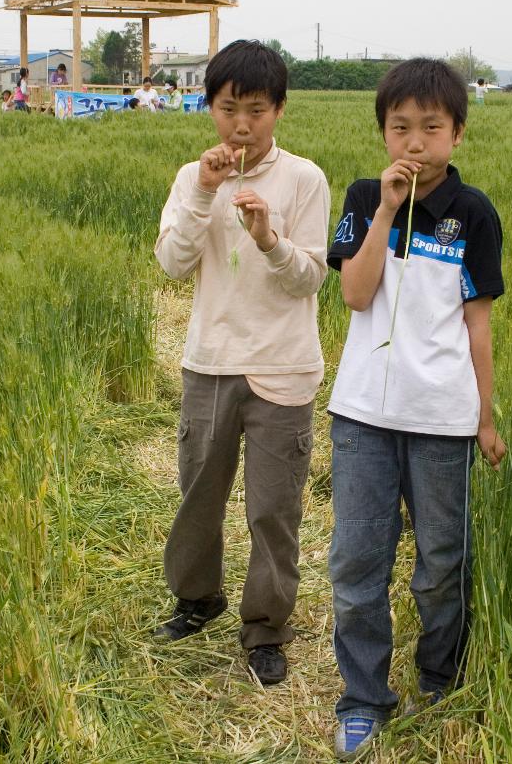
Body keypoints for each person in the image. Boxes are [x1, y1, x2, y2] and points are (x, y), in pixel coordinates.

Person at [325, 58, 507, 759]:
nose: (415, 141)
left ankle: (439, 676)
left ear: (457, 133)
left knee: (441, 561)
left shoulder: (474, 214)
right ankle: (363, 697)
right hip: (363, 417)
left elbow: (478, 325)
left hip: (443, 421)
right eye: (400, 127)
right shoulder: (366, 195)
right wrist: (385, 211)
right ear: (383, 132)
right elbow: (355, 293)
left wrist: (486, 417)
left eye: (431, 127)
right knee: (357, 561)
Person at [152, 39, 331, 688]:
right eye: (229, 109)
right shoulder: (189, 178)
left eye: (256, 109)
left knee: (272, 508)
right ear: (210, 109)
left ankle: (265, 626)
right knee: (198, 494)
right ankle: (197, 598)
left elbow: (311, 279)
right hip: (209, 362)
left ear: (279, 110)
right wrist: (204, 189)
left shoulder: (303, 179)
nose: (242, 126)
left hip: (282, 368)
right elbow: (171, 263)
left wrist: (269, 239)